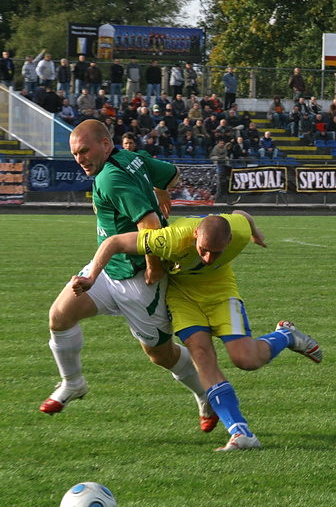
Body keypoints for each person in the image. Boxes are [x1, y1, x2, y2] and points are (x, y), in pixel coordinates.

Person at [70, 212, 322, 451]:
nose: (209, 258)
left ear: (230, 240)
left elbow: (243, 215)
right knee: (202, 356)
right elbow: (114, 242)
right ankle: (241, 433)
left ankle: (286, 335)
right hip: (183, 298)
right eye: (203, 250)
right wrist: (92, 276)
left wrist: (255, 231)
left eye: (217, 252)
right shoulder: (171, 238)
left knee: (246, 360)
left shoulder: (238, 230)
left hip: (222, 294)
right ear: (194, 238)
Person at [39, 120, 215, 433]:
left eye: (85, 150)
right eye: (76, 153)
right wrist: (161, 190)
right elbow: (173, 173)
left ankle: (205, 394)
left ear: (106, 144)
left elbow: (150, 226)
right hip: (108, 268)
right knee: (59, 316)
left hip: (139, 279)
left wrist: (154, 266)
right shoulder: (134, 158)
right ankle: (73, 383)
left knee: (160, 355)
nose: (80, 159)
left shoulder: (110, 178)